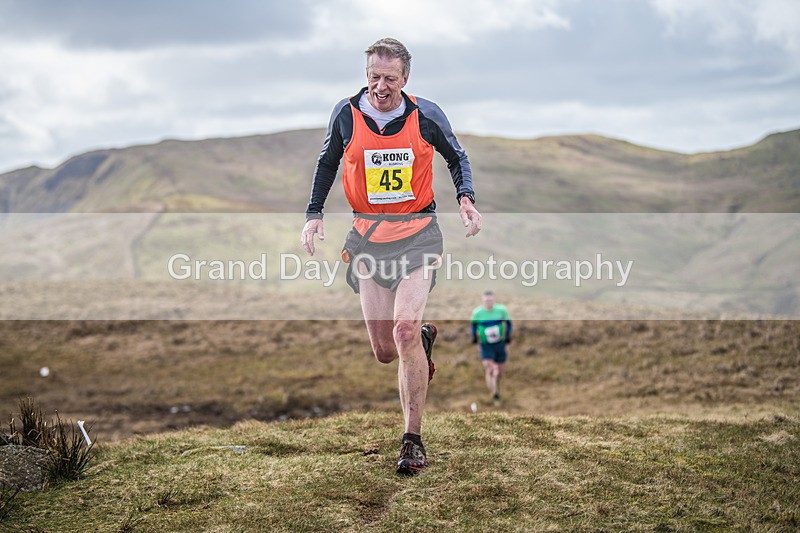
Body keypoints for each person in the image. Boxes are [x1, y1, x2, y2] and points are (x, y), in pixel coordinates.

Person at [301, 38, 481, 475]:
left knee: (402, 330)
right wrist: (313, 214)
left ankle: (412, 441)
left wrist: (465, 197)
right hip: (367, 239)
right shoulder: (346, 114)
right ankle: (419, 343)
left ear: (406, 78)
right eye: (374, 77)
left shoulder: (425, 114)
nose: (381, 87)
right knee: (386, 351)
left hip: (418, 236)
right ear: (366, 76)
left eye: (390, 79)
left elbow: (456, 155)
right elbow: (327, 163)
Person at [471, 290, 512, 404]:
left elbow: (509, 323)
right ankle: (494, 395)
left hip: (499, 344)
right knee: (489, 369)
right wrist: (474, 336)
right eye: (486, 300)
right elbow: (473, 326)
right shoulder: (477, 313)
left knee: (500, 372)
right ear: (482, 301)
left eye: (490, 300)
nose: (488, 303)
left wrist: (508, 335)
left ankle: (496, 385)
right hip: (485, 345)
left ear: (494, 300)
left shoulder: (501, 310)